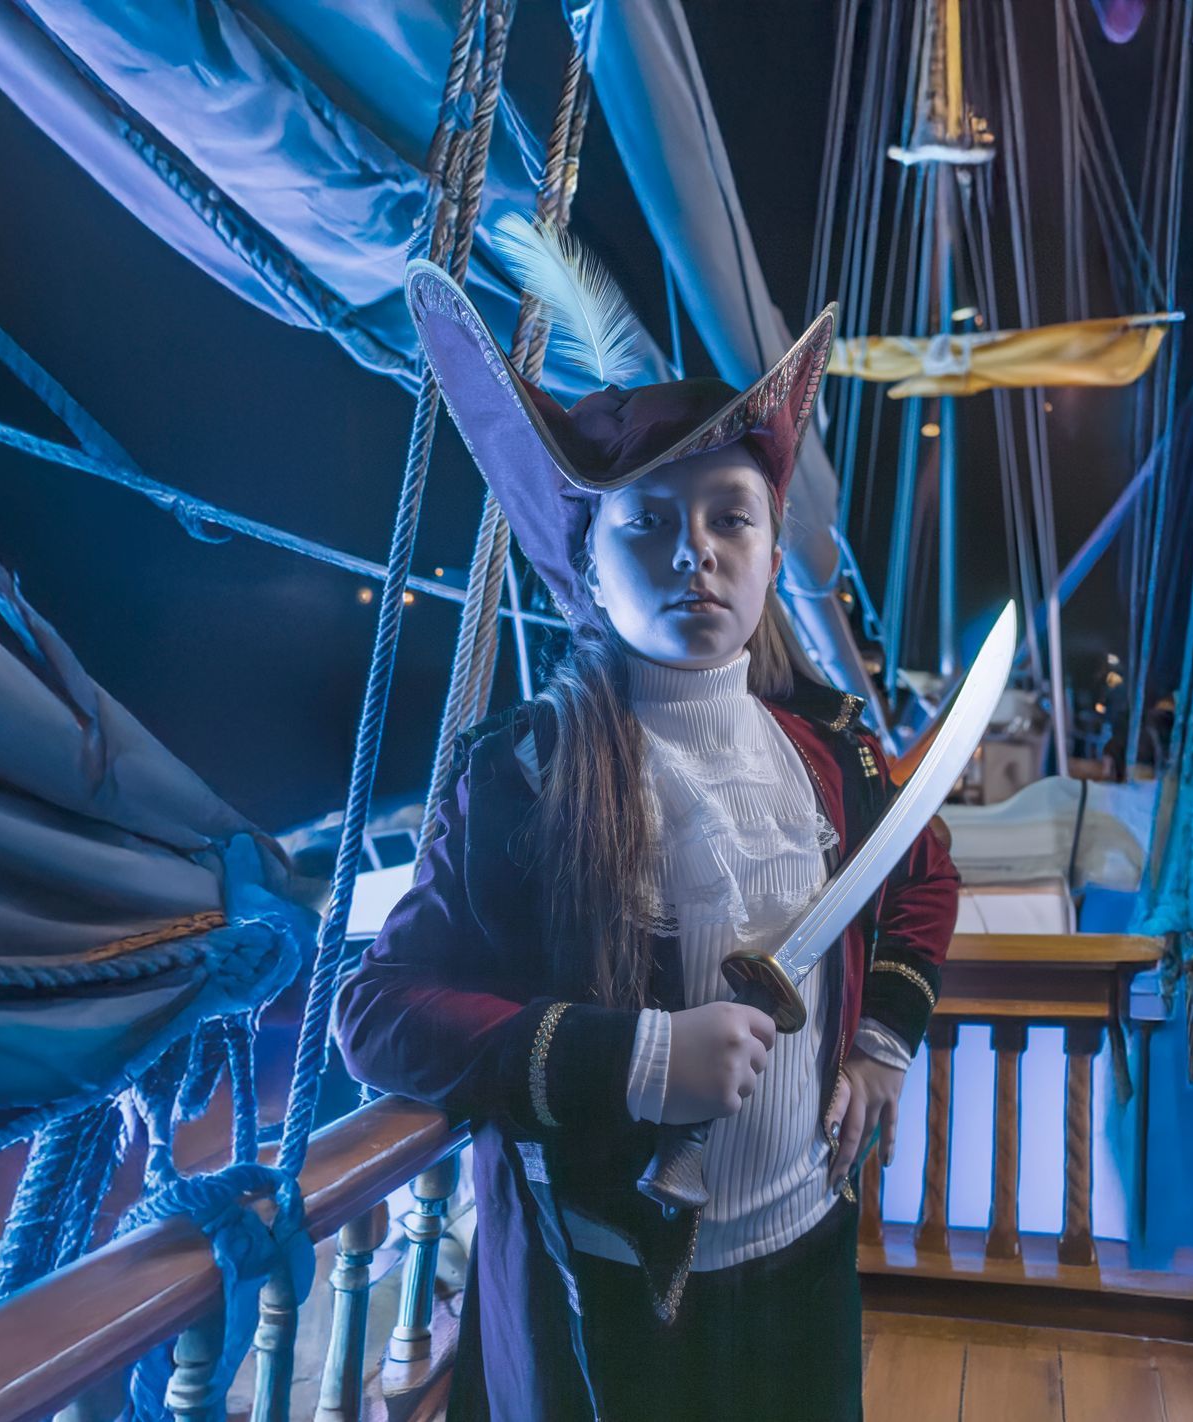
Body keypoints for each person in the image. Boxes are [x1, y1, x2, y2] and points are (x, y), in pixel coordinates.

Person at [335, 236, 958, 1421]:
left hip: (808, 1256)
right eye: (649, 523)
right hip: (605, 1298)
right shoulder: (525, 774)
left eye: (732, 519)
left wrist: (883, 1042)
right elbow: (380, 1013)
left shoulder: (830, 752)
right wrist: (638, 1059)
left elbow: (920, 871)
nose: (695, 553)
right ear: (590, 560)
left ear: (769, 552)